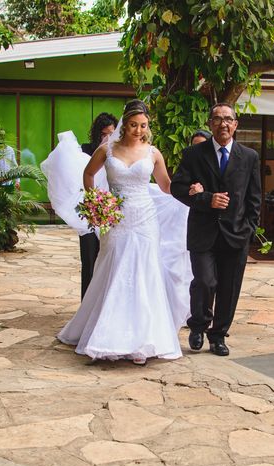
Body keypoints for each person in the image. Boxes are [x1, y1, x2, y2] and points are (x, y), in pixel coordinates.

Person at [57, 100, 200, 365]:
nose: (138, 130)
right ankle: (106, 333)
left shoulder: (153, 153)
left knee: (145, 272)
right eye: (133, 125)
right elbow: (88, 174)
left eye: (143, 125)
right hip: (116, 218)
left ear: (148, 126)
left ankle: (143, 339)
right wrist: (98, 201)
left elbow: (167, 186)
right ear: (125, 124)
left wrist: (190, 189)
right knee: (114, 268)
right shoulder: (108, 148)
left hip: (146, 219)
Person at [171, 103, 261, 356]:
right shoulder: (193, 154)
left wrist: (249, 230)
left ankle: (219, 335)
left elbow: (254, 198)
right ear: (210, 123)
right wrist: (205, 199)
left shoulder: (250, 157)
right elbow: (177, 188)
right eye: (218, 119)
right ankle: (198, 326)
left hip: (237, 234)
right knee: (205, 281)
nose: (223, 124)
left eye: (228, 119)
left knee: (229, 288)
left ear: (235, 124)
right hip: (203, 231)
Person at [78, 113, 118, 300]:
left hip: (112, 214)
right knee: (89, 259)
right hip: (91, 213)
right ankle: (86, 302)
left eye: (112, 133)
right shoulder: (85, 151)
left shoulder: (118, 153)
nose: (108, 138)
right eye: (104, 134)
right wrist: (94, 202)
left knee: (107, 260)